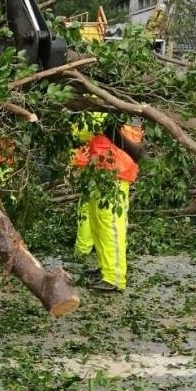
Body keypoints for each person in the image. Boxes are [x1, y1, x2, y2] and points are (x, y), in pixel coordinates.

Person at [72, 113, 140, 293]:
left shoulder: (114, 108)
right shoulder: (107, 104)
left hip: (113, 171)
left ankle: (114, 277)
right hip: (102, 169)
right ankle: (105, 269)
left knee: (110, 226)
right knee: (97, 223)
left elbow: (83, 131)